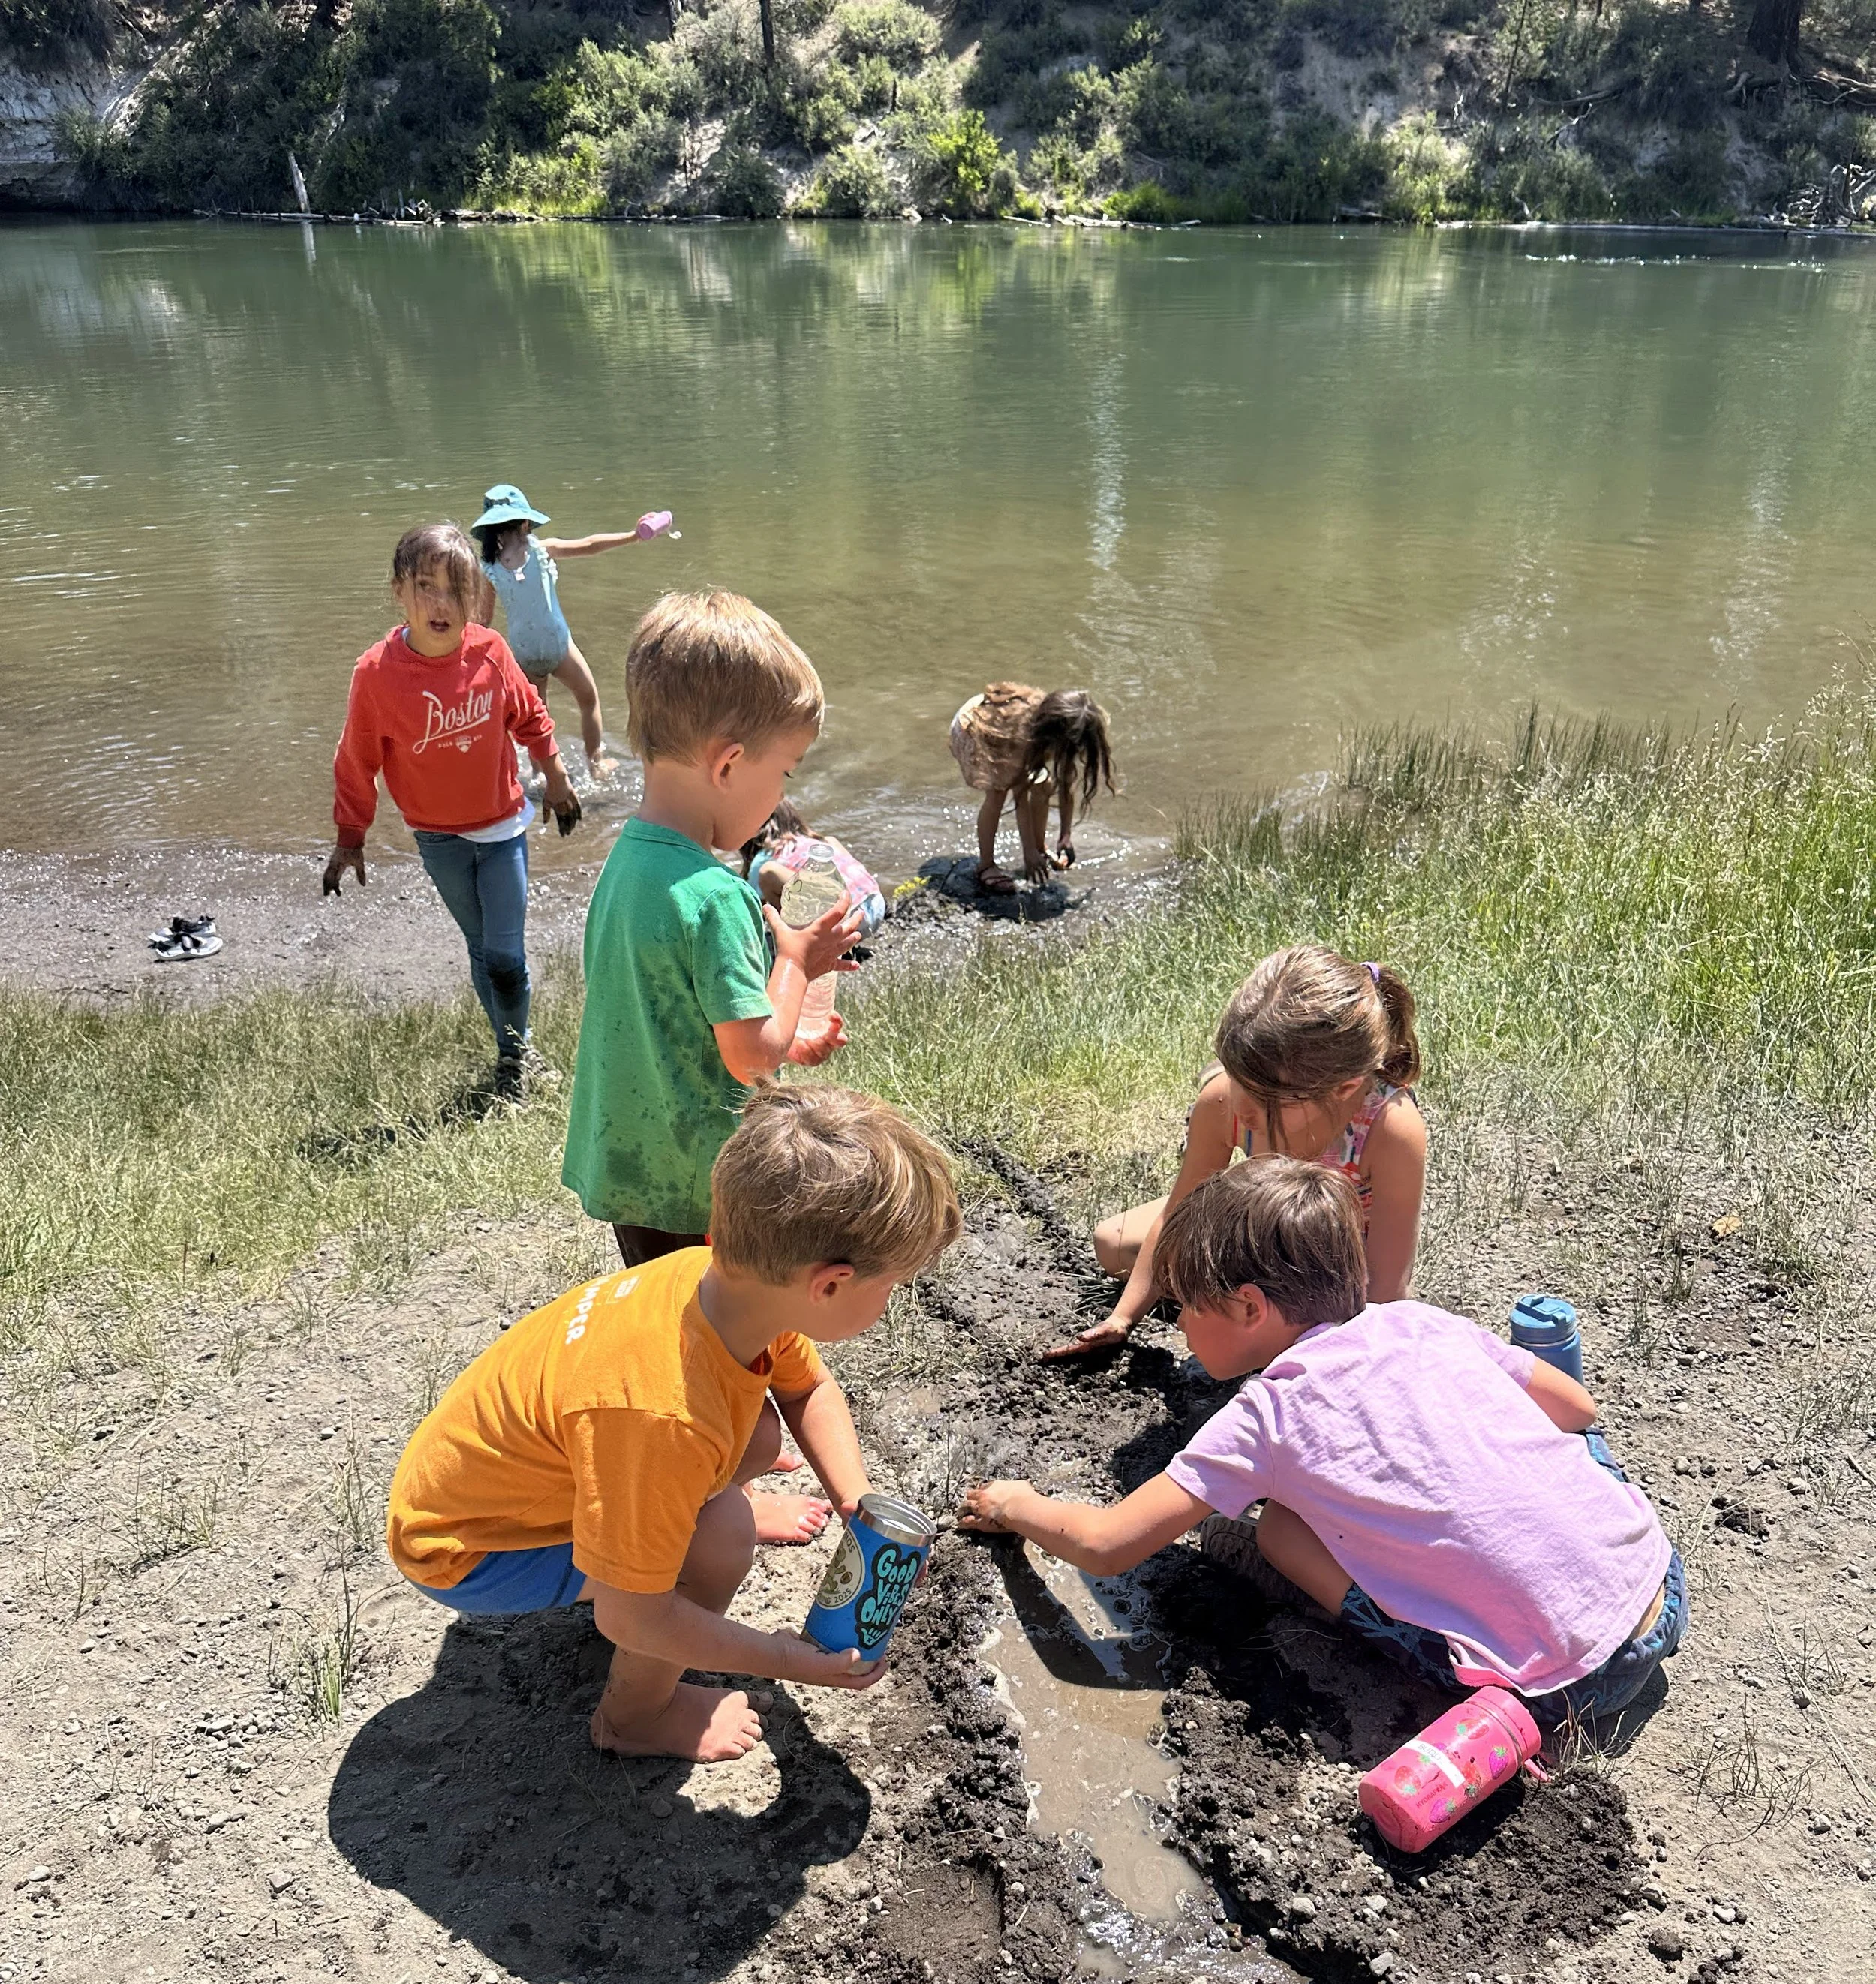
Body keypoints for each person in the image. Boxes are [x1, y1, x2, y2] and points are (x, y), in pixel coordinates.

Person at [964, 1159, 1683, 1738]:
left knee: (1277, 1529)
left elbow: (1107, 1544)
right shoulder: (1417, 1321)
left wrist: (1016, 1503)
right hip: (1656, 1574)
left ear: (1249, 1306)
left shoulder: (1267, 1414)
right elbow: (1577, 1409)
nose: (1176, 1323)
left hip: (1565, 1683)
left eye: (1181, 1303)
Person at [389, 1087, 960, 1763]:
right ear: (829, 1285)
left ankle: (674, 1522)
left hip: (545, 1470)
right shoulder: (661, 1415)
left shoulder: (720, 1283)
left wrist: (854, 1504)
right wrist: (785, 1657)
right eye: (890, 1285)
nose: (890, 1303)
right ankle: (633, 1717)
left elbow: (807, 1392)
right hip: (468, 1549)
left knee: (759, 1437)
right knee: (720, 1538)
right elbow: (631, 1617)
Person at [560, 588, 861, 1538]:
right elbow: (749, 1056)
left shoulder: (631, 863)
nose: (783, 794)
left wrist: (782, 1029)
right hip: (700, 1184)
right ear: (729, 764)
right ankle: (715, 1499)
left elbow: (678, 1020)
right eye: (785, 770)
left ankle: (710, 1488)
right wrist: (797, 964)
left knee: (670, 1343)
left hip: (626, 1165)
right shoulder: (713, 895)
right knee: (720, 1374)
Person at [1045, 944, 1427, 1359]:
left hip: (1333, 1262)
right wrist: (1123, 1318)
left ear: (1344, 1088)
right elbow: (1176, 1215)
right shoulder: (1224, 1101)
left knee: (1279, 1323)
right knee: (1113, 1245)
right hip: (1265, 1227)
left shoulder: (1389, 1127)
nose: (1242, 1108)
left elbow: (1386, 1288)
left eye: (1267, 1097)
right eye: (1238, 1077)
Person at [326, 520, 577, 1091]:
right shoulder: (375, 675)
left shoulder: (490, 651)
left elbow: (531, 718)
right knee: (481, 947)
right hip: (437, 837)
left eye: (457, 590)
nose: (442, 603)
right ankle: (512, 1052)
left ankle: (517, 1059)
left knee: (506, 956)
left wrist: (557, 779)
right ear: (398, 590)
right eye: (425, 586)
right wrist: (350, 836)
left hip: (503, 828)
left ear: (476, 597)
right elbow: (356, 760)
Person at [471, 483, 670, 771]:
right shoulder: (542, 550)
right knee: (588, 700)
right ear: (526, 522)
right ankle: (597, 763)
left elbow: (483, 620)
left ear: (490, 530)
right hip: (557, 643)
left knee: (537, 718)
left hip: (524, 651)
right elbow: (590, 545)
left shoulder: (489, 568)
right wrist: (633, 536)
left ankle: (542, 774)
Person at [948, 683, 1115, 894]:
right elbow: (1020, 797)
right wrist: (1027, 853)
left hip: (997, 720)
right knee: (997, 793)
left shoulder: (1054, 724)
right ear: (1054, 736)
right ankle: (986, 866)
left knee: (1044, 784)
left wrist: (1065, 836)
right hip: (971, 726)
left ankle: (1040, 847)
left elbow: (1066, 782)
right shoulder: (1022, 737)